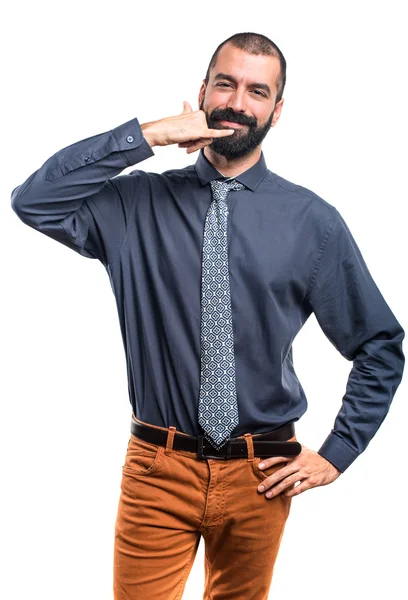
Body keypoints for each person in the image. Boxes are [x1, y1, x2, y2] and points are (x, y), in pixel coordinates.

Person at [11, 31, 405, 600]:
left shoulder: (312, 222)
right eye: (226, 82)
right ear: (203, 90)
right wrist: (146, 136)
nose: (237, 102)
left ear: (277, 109)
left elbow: (379, 346)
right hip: (156, 470)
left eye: (257, 91)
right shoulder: (135, 205)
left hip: (263, 474)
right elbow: (35, 201)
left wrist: (338, 453)